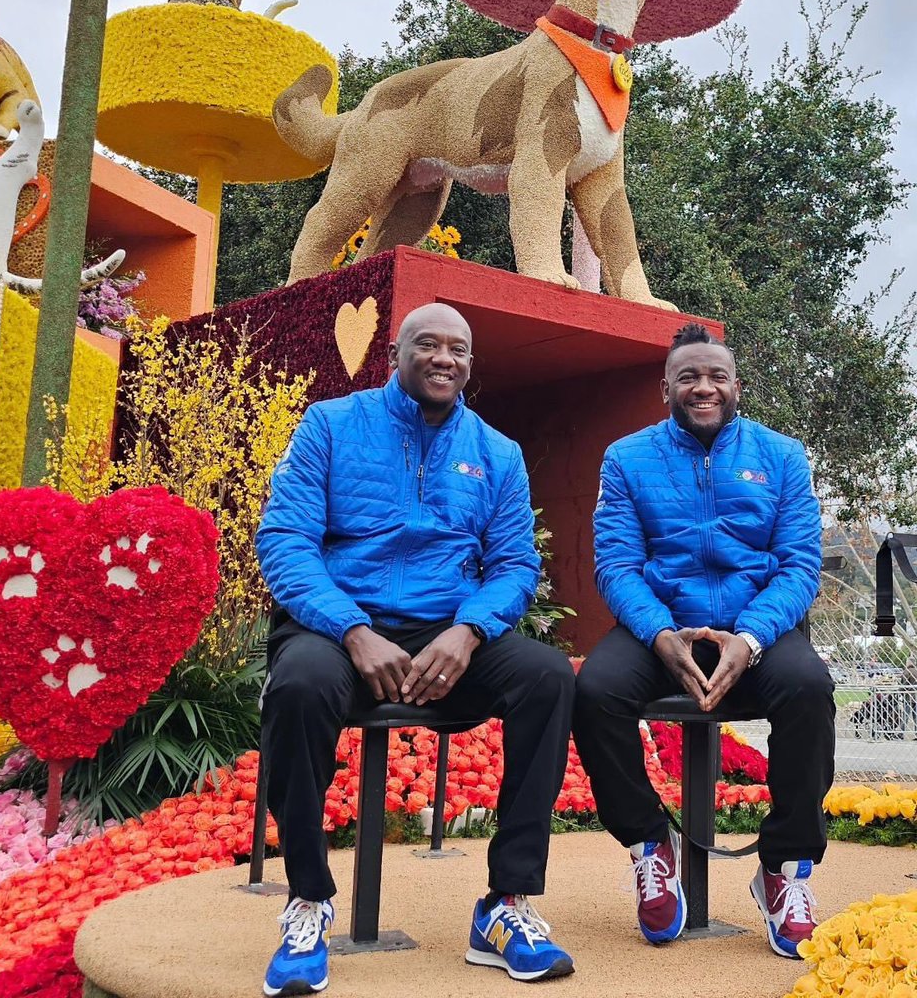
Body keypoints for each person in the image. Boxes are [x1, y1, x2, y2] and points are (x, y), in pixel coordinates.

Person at [255, 302, 576, 996]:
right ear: (395, 351)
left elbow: (517, 566)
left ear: (469, 364)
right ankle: (307, 900)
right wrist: (351, 628)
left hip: (446, 634)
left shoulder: (497, 453)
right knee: (298, 686)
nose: (444, 358)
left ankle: (506, 905)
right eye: (427, 344)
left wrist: (470, 630)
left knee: (548, 677)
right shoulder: (331, 426)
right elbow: (284, 542)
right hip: (338, 630)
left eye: (457, 349)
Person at [573, 322, 834, 958]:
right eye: (688, 376)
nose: (703, 386)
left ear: (737, 385)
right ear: (666, 387)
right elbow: (616, 565)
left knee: (809, 688)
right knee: (595, 691)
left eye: (716, 375)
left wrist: (751, 634)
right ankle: (648, 846)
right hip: (660, 629)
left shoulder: (783, 457)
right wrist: (660, 633)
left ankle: (782, 868)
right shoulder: (627, 457)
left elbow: (800, 565)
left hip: (757, 631)